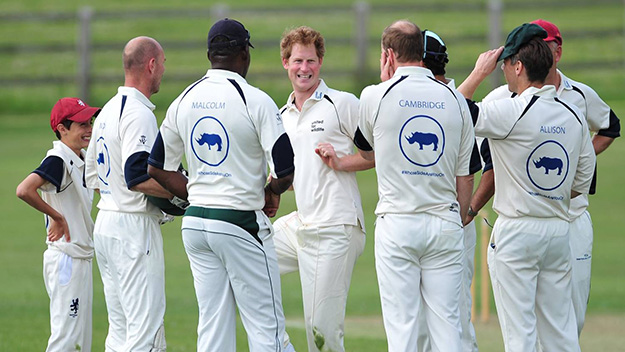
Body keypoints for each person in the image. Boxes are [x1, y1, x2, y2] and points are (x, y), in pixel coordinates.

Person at [146, 18, 295, 352]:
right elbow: (285, 170)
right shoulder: (255, 100)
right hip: (241, 222)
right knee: (266, 330)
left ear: (210, 54)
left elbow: (156, 167)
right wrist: (270, 192)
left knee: (213, 329)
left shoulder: (184, 99)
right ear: (244, 53)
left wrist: (199, 191)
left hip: (197, 225)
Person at [466, 19, 621, 339]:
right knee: (561, 334)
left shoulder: (512, 110)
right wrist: (553, 190)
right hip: (558, 226)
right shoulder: (572, 114)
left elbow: (454, 110)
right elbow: (581, 176)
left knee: (524, 334)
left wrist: (478, 72)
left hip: (527, 227)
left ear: (518, 66)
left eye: (506, 63)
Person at [355, 20, 475, 352]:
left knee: (403, 331)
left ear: (388, 55)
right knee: (449, 330)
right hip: (446, 223)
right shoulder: (455, 99)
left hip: (398, 225)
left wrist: (384, 82)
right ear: (422, 51)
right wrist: (461, 215)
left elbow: (367, 152)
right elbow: (465, 175)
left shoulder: (373, 95)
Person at [271, 25, 372, 352]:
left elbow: (374, 156)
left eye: (311, 61)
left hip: (336, 227)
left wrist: (341, 161)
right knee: (247, 252)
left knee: (323, 337)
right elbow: (284, 176)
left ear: (321, 62)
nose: (305, 68)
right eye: (298, 60)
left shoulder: (342, 104)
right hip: (302, 223)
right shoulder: (281, 116)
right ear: (285, 62)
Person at [85, 36, 171, 351]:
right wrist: (181, 193)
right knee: (145, 331)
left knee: (119, 329)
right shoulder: (139, 113)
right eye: (162, 64)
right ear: (151, 65)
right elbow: (137, 176)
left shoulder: (107, 110)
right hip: (133, 229)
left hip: (106, 222)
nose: (163, 70)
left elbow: (92, 175)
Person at [16, 97, 99, 352]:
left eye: (90, 122)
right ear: (62, 129)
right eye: (81, 124)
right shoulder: (58, 159)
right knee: (66, 338)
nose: (89, 129)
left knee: (80, 341)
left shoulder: (82, 159)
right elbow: (24, 190)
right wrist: (57, 216)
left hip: (81, 259)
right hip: (67, 260)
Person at [418, 29, 481, 352]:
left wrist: (465, 213)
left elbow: (472, 168)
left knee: (452, 311)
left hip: (449, 220)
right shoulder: (458, 101)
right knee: (428, 316)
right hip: (443, 220)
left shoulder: (459, 105)